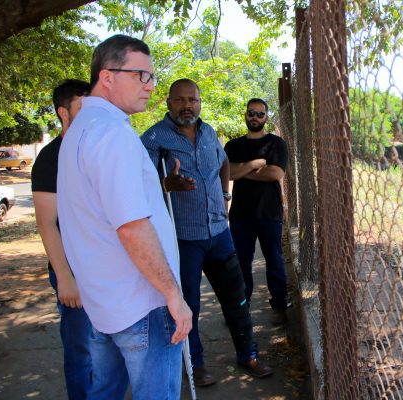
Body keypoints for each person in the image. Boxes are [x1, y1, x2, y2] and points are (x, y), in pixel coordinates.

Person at [56, 35, 192, 400]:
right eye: (141, 76)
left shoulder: (80, 130)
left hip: (105, 301)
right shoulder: (111, 134)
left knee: (104, 392)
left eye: (151, 77)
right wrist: (172, 295)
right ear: (107, 77)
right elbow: (131, 227)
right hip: (142, 304)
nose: (150, 86)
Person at [141, 79, 273, 387]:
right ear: (169, 102)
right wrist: (166, 185)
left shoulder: (209, 132)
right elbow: (139, 184)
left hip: (218, 232)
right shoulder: (153, 138)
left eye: (193, 100)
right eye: (181, 100)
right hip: (183, 237)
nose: (188, 105)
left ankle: (248, 354)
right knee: (189, 304)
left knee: (237, 298)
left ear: (199, 102)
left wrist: (225, 196)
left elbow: (224, 162)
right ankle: (195, 363)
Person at [32, 79, 92, 399]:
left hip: (105, 269)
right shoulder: (50, 158)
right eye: (84, 108)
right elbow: (46, 222)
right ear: (64, 113)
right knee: (81, 348)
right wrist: (65, 278)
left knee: (107, 346)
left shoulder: (96, 151)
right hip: (73, 273)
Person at [224, 98, 289, 326]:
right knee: (241, 264)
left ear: (266, 118)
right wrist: (253, 165)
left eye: (260, 114)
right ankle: (243, 308)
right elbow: (227, 173)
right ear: (245, 115)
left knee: (275, 261)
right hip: (241, 215)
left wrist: (242, 170)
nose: (255, 117)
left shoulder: (276, 144)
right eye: (251, 113)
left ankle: (279, 306)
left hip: (269, 214)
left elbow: (274, 174)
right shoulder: (233, 146)